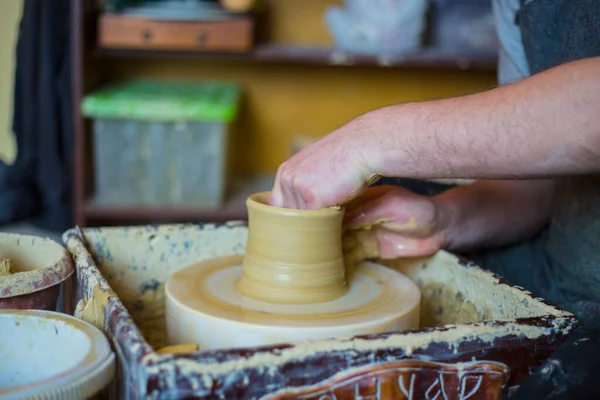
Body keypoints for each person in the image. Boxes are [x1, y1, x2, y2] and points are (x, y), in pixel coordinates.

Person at [269, 0, 600, 327]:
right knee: (388, 200)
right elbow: (542, 172)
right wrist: (444, 221)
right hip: (561, 267)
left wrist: (373, 139)